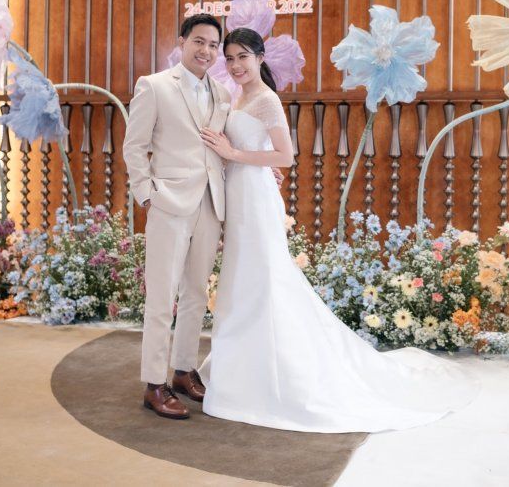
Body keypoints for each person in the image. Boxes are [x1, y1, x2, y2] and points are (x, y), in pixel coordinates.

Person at [197, 27, 479, 432]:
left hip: (256, 201)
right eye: (230, 58)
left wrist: (234, 153)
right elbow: (258, 153)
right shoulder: (237, 97)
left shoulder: (267, 99)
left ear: (259, 58)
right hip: (240, 194)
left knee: (264, 279)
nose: (235, 65)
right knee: (241, 280)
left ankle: (277, 372)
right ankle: (241, 366)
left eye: (243, 56)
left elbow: (286, 156)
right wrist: (234, 157)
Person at [122, 13, 232, 420]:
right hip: (168, 203)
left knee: (196, 292)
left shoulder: (223, 93)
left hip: (210, 203)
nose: (206, 51)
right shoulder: (153, 86)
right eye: (199, 41)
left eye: (213, 45)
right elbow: (134, 146)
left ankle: (184, 371)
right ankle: (154, 384)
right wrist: (146, 196)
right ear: (182, 41)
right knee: (161, 295)